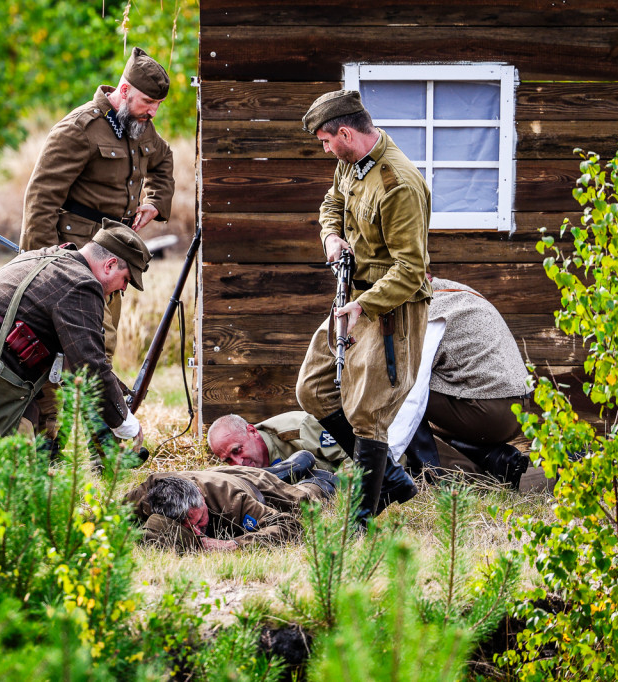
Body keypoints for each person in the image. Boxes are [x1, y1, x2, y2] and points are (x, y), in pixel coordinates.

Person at [19, 46, 175, 437]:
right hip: (71, 259)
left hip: (113, 264)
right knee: (56, 354)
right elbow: (41, 198)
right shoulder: (79, 129)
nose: (153, 111)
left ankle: (97, 441)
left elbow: (164, 160)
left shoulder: (140, 127)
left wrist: (155, 203)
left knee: (98, 351)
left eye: (156, 105)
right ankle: (49, 439)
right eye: (147, 102)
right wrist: (40, 264)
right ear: (124, 91)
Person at [294, 89, 432, 523]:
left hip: (390, 308)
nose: (325, 149)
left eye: (325, 141)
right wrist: (331, 236)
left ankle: (362, 519)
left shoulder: (398, 185)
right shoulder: (351, 163)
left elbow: (412, 269)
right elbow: (332, 201)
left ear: (347, 133)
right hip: (351, 295)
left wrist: (364, 307)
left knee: (366, 412)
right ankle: (391, 478)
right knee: (313, 387)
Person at [0, 222, 151, 450]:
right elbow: (89, 366)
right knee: (14, 470)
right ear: (109, 265)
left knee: (36, 448)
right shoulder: (82, 285)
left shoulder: (47, 255)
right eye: (126, 280)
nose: (123, 289)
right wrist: (123, 421)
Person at [391, 274, 542, 490]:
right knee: (427, 422)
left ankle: (443, 477)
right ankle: (498, 460)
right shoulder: (453, 293)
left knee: (393, 390)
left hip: (490, 409)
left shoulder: (423, 308)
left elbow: (408, 386)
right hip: (516, 407)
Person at [125, 466, 333, 552]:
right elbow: (106, 518)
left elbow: (289, 526)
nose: (198, 532)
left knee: (305, 500)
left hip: (252, 484)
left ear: (200, 496)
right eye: (188, 526)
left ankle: (313, 479)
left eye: (199, 521)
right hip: (212, 472)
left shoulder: (232, 500)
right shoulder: (147, 494)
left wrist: (234, 544)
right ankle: (280, 468)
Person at [206, 411, 346, 472]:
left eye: (237, 450)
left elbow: (352, 456)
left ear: (252, 432)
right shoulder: (240, 473)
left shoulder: (300, 429)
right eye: (228, 460)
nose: (238, 463)